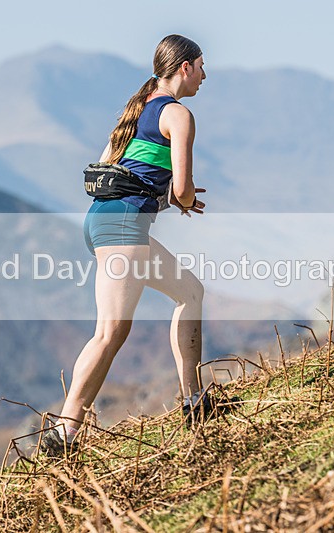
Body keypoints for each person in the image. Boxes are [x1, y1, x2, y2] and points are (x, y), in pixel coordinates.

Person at [41, 34, 217, 457]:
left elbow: (106, 166)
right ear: (185, 67)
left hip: (105, 222)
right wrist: (186, 200)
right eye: (202, 66)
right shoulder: (178, 114)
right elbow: (184, 187)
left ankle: (194, 402)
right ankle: (64, 433)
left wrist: (169, 195)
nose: (205, 76)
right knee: (110, 332)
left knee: (190, 292)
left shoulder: (135, 108)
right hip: (124, 226)